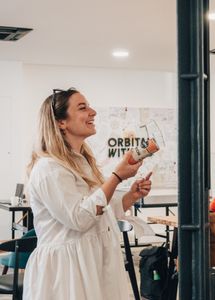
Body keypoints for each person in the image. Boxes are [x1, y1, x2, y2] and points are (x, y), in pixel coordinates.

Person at [23, 88, 152, 300]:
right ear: (61, 122)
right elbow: (80, 218)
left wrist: (130, 196)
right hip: (68, 271)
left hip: (92, 261)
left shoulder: (82, 162)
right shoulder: (49, 168)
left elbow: (99, 210)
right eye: (83, 108)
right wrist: (116, 177)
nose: (93, 112)